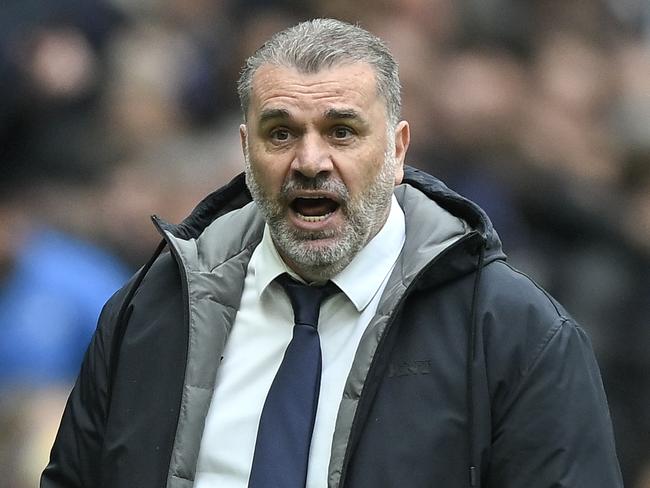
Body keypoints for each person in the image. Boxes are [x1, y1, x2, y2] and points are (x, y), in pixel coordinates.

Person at [41, 18, 623, 488]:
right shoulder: (150, 311)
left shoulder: (514, 333)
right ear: (245, 153)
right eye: (280, 133)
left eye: (342, 131)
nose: (310, 160)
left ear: (398, 151)